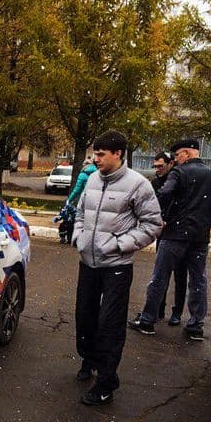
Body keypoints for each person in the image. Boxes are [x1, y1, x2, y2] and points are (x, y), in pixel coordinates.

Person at [73, 130, 162, 405]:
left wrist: (118, 244)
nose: (95, 159)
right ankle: (89, 359)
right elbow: (80, 213)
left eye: (101, 154)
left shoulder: (138, 185)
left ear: (118, 154)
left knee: (109, 324)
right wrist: (79, 237)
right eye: (94, 154)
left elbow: (152, 224)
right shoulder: (92, 181)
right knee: (84, 317)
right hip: (88, 262)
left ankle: (106, 383)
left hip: (117, 267)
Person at [128, 139, 211, 341]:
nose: (176, 160)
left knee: (160, 277)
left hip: (175, 233)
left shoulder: (179, 172)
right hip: (199, 237)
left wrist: (161, 217)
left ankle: (148, 320)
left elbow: (163, 195)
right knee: (198, 280)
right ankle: (195, 326)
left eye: (177, 156)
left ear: (186, 153)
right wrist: (204, 221)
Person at [152, 151, 187, 326]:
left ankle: (177, 312)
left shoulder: (181, 179)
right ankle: (158, 308)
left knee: (180, 275)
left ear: (170, 164)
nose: (157, 169)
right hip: (164, 231)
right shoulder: (155, 182)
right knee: (160, 273)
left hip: (179, 232)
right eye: (155, 166)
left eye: (160, 166)